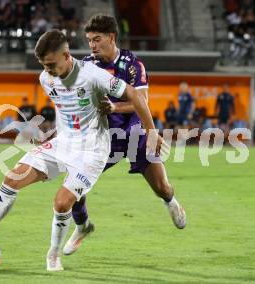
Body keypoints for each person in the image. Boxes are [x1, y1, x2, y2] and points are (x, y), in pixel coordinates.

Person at [0, 29, 165, 271]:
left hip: (92, 151)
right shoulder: (45, 79)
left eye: (51, 64)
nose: (47, 70)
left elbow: (134, 94)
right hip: (62, 144)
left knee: (61, 203)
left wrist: (151, 131)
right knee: (11, 178)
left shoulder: (93, 75)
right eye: (44, 65)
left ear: (67, 55)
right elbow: (67, 110)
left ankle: (53, 254)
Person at [62, 14, 186, 256]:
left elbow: (142, 102)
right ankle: (82, 226)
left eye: (97, 39)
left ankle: (171, 202)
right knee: (73, 185)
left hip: (134, 132)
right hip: (102, 138)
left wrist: (116, 108)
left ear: (112, 37)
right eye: (89, 41)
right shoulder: (86, 67)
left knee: (161, 187)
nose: (92, 45)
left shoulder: (132, 65)